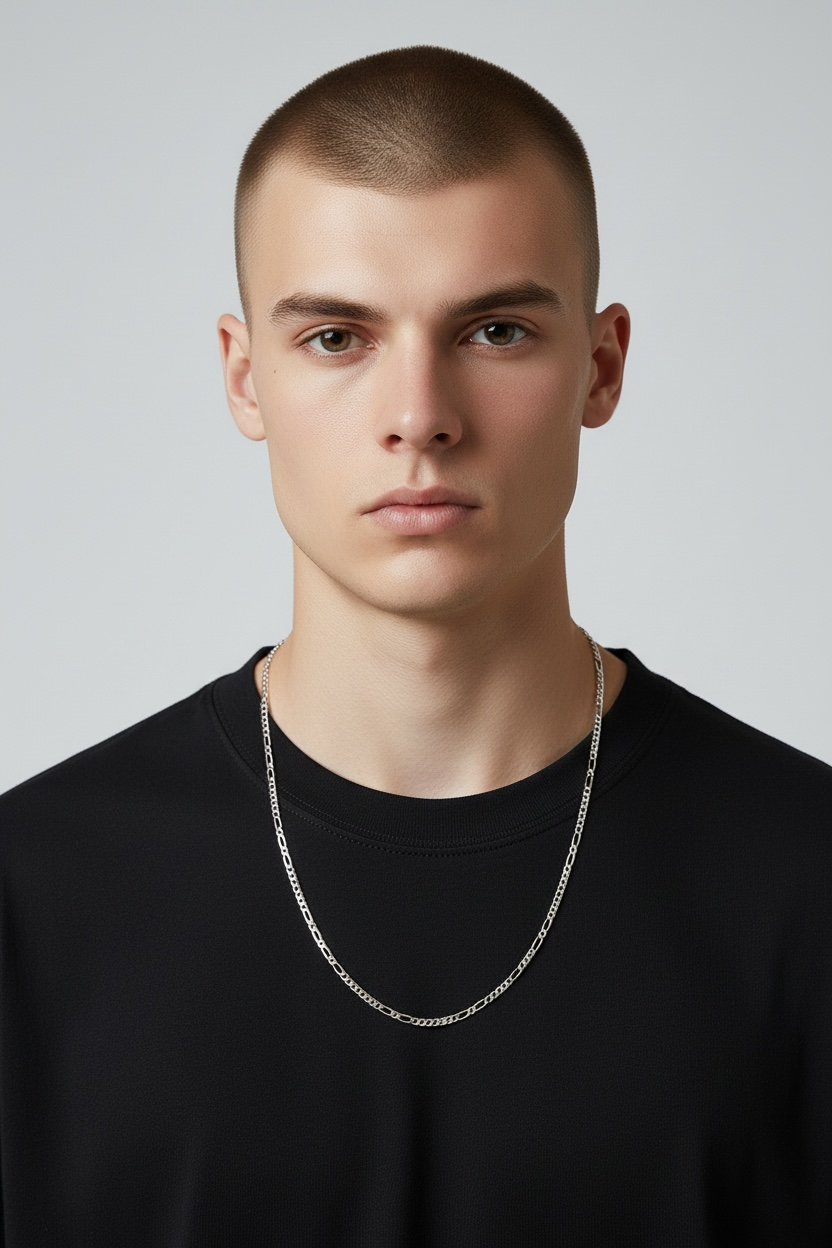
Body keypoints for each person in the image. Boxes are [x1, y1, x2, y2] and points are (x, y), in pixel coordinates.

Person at [0, 45, 829, 1246]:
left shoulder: (803, 885)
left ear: (600, 366)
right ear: (245, 379)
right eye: (337, 338)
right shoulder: (31, 907)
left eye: (493, 330)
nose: (419, 418)